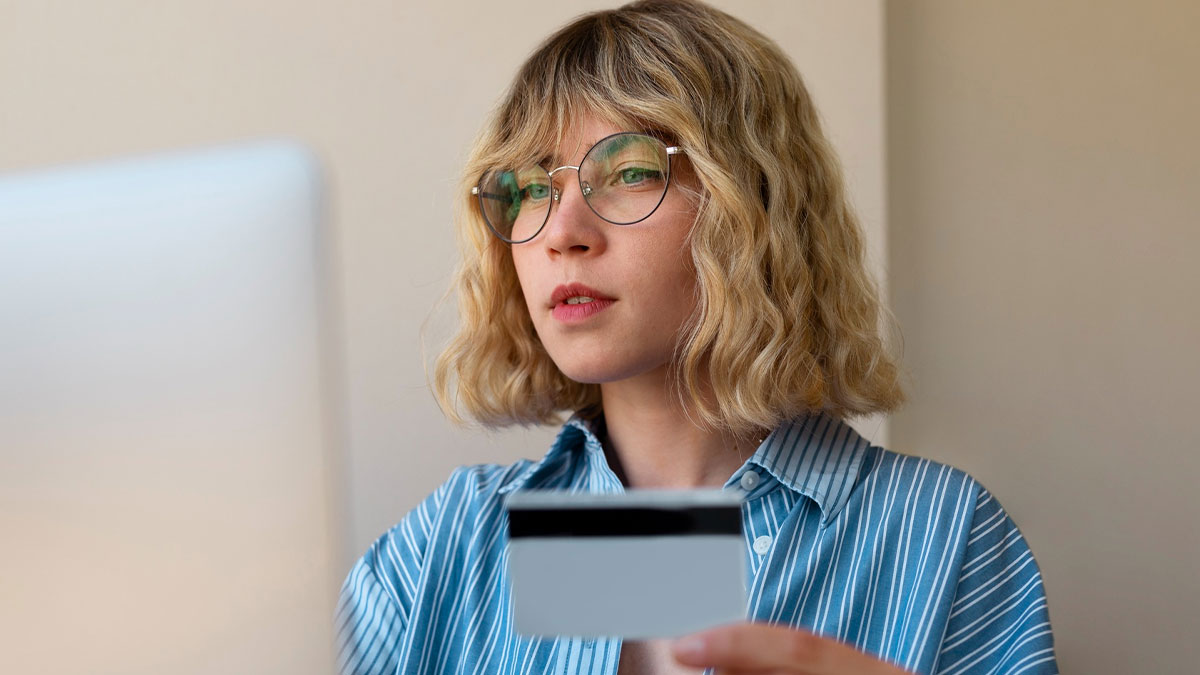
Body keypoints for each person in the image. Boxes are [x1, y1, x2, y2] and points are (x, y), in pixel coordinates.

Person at [336, 1, 1057, 673]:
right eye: (528, 188)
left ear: (756, 205)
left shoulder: (947, 538)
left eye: (630, 172)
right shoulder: (446, 546)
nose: (561, 232)